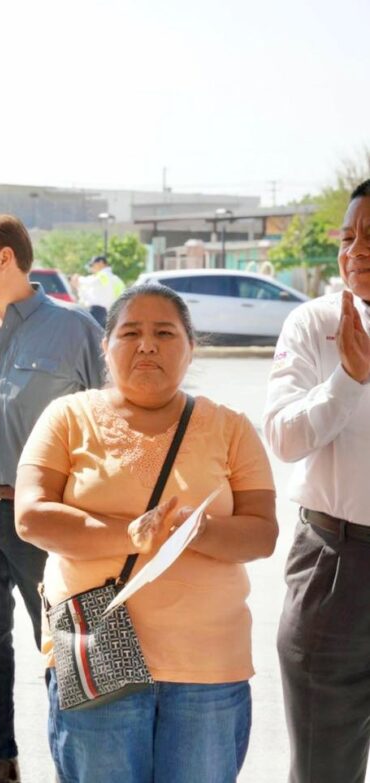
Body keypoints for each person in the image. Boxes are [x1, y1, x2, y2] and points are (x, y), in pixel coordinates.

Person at [16, 282, 277, 781]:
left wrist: (190, 531)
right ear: (105, 346)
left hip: (208, 667)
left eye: (165, 332)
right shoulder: (68, 417)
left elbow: (261, 534)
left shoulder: (232, 427)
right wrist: (131, 535)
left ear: (191, 346)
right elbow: (31, 516)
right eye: (130, 332)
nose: (148, 344)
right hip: (99, 651)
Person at [0, 214, 103, 783]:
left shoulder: (76, 329)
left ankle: (77, 764)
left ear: (5, 258)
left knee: (69, 644)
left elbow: (108, 418)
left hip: (45, 515)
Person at [265, 178, 370, 783]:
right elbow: (283, 437)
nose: (355, 249)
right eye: (348, 236)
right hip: (337, 566)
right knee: (324, 769)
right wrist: (349, 380)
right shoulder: (314, 324)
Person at [77, 255, 125, 328]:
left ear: (101, 263)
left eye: (92, 264)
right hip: (112, 314)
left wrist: (79, 279)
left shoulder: (103, 275)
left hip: (97, 312)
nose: (92, 267)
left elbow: (91, 282)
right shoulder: (116, 279)